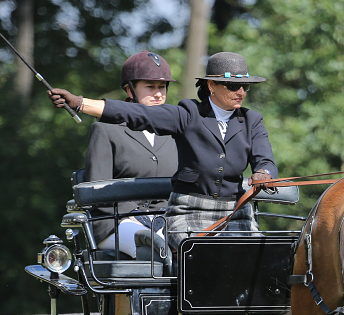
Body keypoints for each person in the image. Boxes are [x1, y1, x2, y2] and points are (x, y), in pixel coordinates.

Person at [50, 51, 277, 251]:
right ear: (211, 85)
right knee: (199, 254)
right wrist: (80, 103)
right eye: (232, 86)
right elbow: (137, 114)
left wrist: (264, 174)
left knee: (261, 257)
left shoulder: (252, 120)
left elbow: (264, 158)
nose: (240, 91)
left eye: (245, 86)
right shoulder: (187, 114)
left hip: (235, 211)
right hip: (190, 211)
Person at [84, 51, 179, 259]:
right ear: (130, 89)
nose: (158, 94)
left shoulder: (175, 130)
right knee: (155, 248)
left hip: (166, 220)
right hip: (116, 222)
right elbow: (98, 191)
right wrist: (139, 218)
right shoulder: (106, 129)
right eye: (150, 86)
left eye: (162, 87)